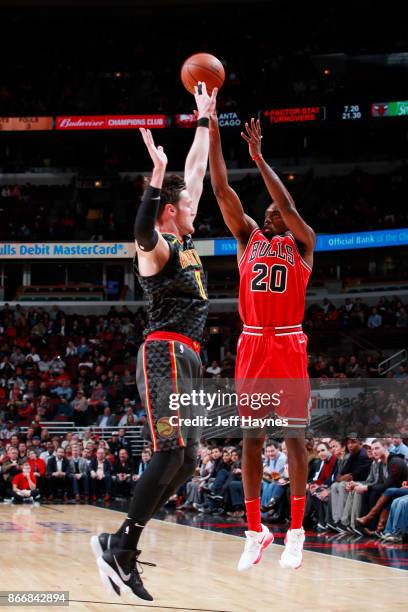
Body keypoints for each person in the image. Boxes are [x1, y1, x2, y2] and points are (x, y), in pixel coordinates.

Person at [93, 82, 217, 601]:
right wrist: (158, 178)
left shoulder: (183, 240)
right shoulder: (157, 250)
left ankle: (120, 544)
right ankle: (121, 547)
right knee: (169, 454)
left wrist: (204, 120)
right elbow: (144, 224)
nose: (195, 205)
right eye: (185, 204)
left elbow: (197, 173)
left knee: (188, 461)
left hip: (189, 358)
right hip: (163, 353)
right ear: (171, 211)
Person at [209, 114, 315, 571]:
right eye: (267, 212)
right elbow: (221, 192)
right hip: (253, 344)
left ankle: (296, 530)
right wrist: (213, 134)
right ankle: (255, 531)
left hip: (288, 342)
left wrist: (258, 157)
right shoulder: (247, 238)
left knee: (294, 437)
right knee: (251, 439)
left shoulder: (304, 243)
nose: (270, 213)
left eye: (276, 212)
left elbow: (286, 202)